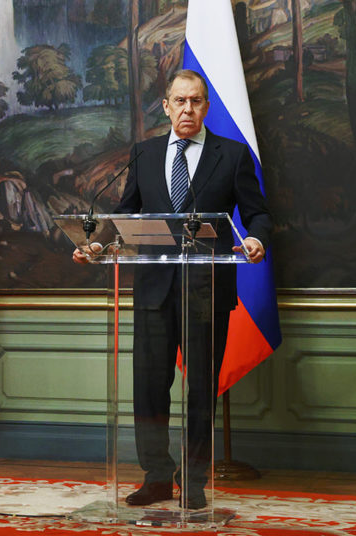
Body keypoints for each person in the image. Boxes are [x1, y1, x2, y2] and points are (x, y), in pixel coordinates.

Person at [73, 70, 271, 509]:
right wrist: (97, 244)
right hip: (153, 290)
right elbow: (125, 213)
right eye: (179, 101)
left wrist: (255, 239)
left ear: (206, 107)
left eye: (196, 101)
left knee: (200, 390)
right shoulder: (143, 154)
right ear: (165, 106)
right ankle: (157, 477)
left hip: (207, 289)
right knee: (148, 388)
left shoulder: (232, 154)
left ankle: (194, 482)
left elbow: (257, 213)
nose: (187, 109)